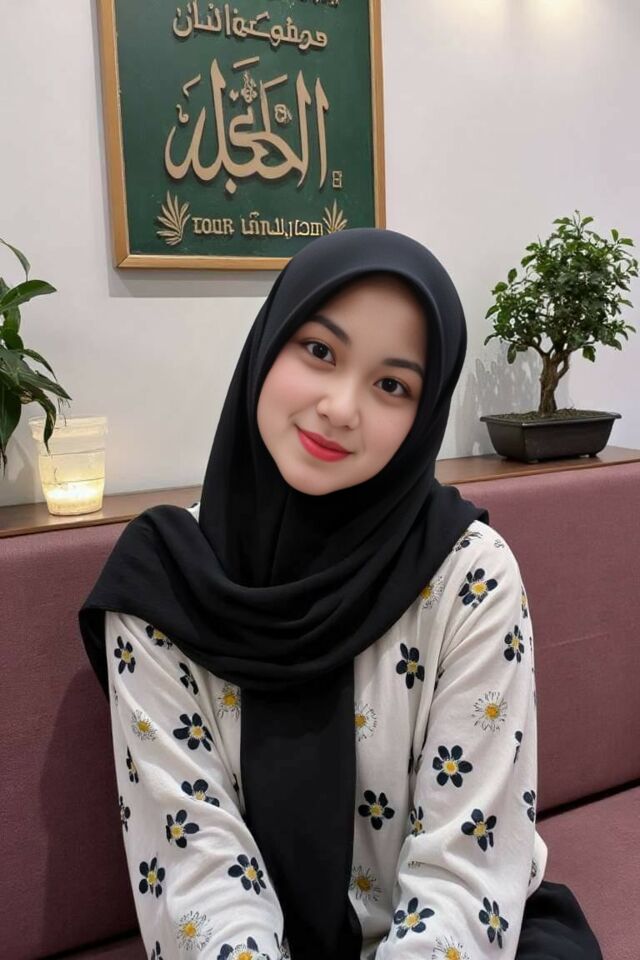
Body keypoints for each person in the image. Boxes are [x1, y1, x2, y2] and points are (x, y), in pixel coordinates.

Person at [79, 228, 603, 960]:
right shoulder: (164, 586)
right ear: (269, 344)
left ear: (423, 417)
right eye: (320, 351)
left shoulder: (468, 576)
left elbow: (464, 877)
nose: (340, 407)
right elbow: (195, 876)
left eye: (392, 386)